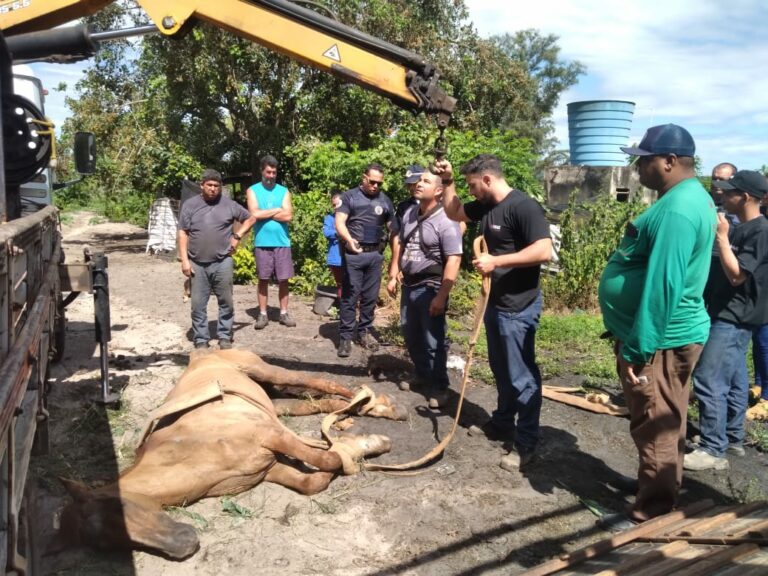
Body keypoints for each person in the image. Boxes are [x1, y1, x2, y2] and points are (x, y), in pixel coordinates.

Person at [597, 124, 716, 531]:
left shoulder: (679, 210)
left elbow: (664, 284)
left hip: (662, 340)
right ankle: (654, 483)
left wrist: (638, 347)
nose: (637, 166)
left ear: (668, 161)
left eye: (643, 159)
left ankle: (652, 512)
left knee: (657, 422)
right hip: (665, 336)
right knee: (662, 418)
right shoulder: (682, 199)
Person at [436, 154, 552, 471]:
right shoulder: (488, 205)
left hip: (519, 306)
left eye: (472, 185)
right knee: (501, 370)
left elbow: (544, 250)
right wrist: (448, 182)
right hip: (495, 303)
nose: (471, 191)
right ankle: (502, 422)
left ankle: (526, 442)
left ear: (487, 179)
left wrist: (497, 262)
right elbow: (453, 211)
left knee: (522, 377)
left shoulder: (523, 207)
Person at [684, 170, 768, 471]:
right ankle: (731, 437)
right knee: (733, 379)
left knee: (709, 378)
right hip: (728, 313)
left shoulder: (760, 231)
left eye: (729, 192)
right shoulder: (744, 228)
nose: (722, 195)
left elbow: (737, 275)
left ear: (744, 197)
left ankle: (712, 449)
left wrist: (721, 238)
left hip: (735, 317)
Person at [387, 171, 462, 409]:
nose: (419, 184)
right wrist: (395, 270)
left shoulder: (446, 220)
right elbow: (401, 243)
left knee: (433, 340)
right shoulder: (410, 213)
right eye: (419, 181)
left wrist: (442, 295)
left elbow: (454, 259)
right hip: (409, 285)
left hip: (430, 286)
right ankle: (421, 375)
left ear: (439, 191)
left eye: (426, 181)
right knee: (411, 335)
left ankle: (440, 387)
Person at [177, 169, 256, 349]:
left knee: (226, 302)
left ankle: (225, 336)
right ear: (202, 185)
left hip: (222, 262)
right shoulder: (190, 205)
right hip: (197, 263)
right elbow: (183, 232)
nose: (213, 189)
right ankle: (201, 339)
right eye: (209, 185)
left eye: (216, 186)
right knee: (197, 305)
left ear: (220, 187)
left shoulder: (229, 204)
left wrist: (237, 237)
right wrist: (184, 260)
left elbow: (250, 219)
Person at [335, 163, 397, 357]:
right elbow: (339, 222)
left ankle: (364, 332)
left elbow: (393, 228)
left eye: (379, 183)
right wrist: (348, 239)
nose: (376, 186)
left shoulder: (385, 201)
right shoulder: (349, 197)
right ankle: (345, 337)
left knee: (370, 297)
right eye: (372, 182)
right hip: (354, 254)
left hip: (375, 256)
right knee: (350, 296)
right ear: (364, 178)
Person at [247, 155, 296, 329]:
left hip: (282, 243)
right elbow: (254, 213)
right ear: (262, 171)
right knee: (263, 279)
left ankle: (283, 313)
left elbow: (288, 215)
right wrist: (277, 210)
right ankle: (262, 314)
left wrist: (264, 212)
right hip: (262, 243)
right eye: (268, 172)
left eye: (274, 172)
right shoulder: (253, 190)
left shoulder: (284, 191)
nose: (271, 175)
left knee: (284, 279)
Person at [323, 193, 343, 298]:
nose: (335, 208)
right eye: (333, 205)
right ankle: (342, 310)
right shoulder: (329, 218)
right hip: (336, 257)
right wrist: (340, 233)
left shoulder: (350, 217)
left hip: (350, 257)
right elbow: (327, 232)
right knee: (340, 285)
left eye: (337, 204)